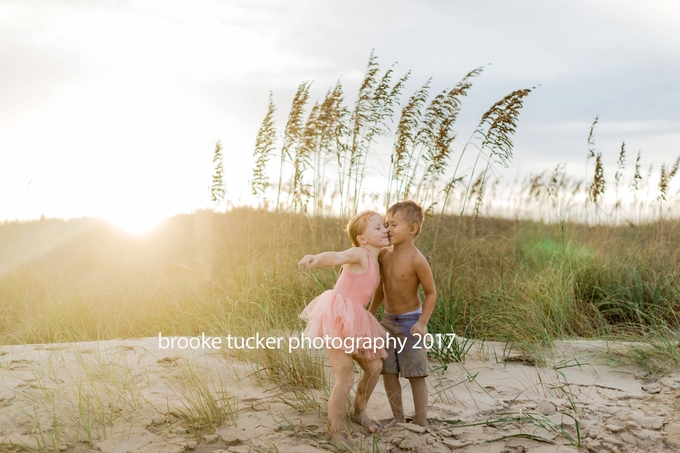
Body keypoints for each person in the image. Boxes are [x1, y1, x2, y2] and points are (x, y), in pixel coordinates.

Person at [298, 210, 390, 441]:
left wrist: (370, 317)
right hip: (338, 317)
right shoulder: (359, 253)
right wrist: (317, 258)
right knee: (346, 377)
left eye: (385, 226)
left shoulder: (378, 260)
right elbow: (336, 257)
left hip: (357, 321)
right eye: (377, 228)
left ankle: (359, 411)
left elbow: (375, 291)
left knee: (375, 367)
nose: (385, 230)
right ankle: (334, 431)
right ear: (362, 239)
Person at [369, 200, 436, 427]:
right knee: (388, 372)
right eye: (386, 224)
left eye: (393, 224)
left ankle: (420, 422)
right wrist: (371, 314)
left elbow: (431, 293)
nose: (387, 229)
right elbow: (380, 288)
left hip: (410, 324)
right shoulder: (384, 255)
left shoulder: (418, 260)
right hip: (387, 322)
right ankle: (398, 418)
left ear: (412, 229)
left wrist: (422, 322)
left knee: (416, 374)